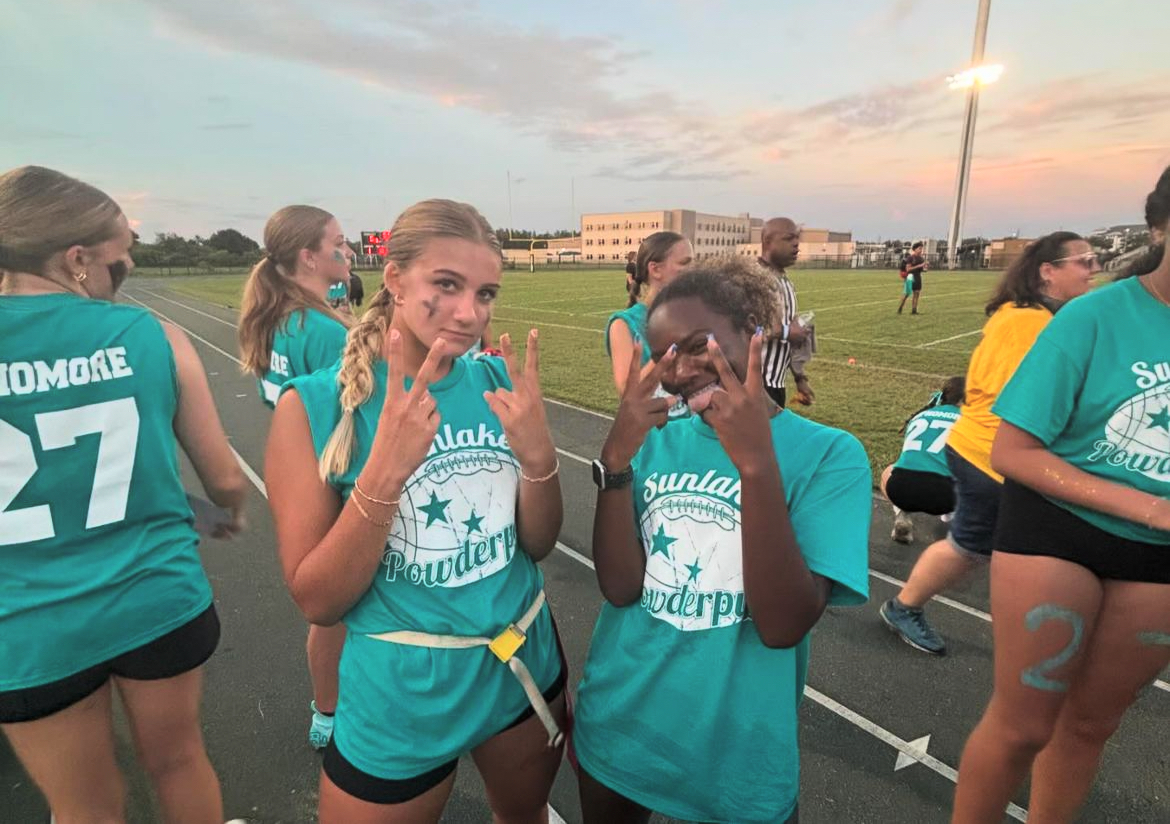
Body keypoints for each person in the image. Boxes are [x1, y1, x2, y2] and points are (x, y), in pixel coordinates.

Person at [264, 199, 567, 823]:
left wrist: (540, 459)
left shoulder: (495, 386)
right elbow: (318, 601)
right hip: (402, 689)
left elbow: (537, 545)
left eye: (485, 293)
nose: (469, 312)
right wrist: (384, 472)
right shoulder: (315, 408)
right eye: (447, 285)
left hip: (518, 660)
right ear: (394, 279)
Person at [574, 255, 871, 824]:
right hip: (620, 723)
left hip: (738, 754)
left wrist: (756, 465)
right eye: (663, 353)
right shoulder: (655, 441)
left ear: (755, 334)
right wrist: (615, 458)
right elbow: (619, 588)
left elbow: (783, 625)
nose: (680, 370)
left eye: (697, 344)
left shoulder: (831, 457)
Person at [0, 166, 247, 823]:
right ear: (76, 260)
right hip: (154, 595)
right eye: (120, 255)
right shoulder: (147, 335)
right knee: (179, 762)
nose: (130, 264)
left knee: (84, 806)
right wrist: (226, 513)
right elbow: (224, 477)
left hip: (28, 624)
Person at [952, 170, 1170, 824]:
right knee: (1023, 725)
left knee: (1090, 727)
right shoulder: (1096, 316)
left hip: (1156, 557)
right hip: (1058, 529)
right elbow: (1012, 451)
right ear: (1160, 226)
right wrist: (1156, 509)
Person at [879, 232, 1099, 656]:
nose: (1093, 269)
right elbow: (1019, 399)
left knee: (1002, 546)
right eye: (1084, 261)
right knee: (970, 547)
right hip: (991, 458)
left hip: (996, 454)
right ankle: (904, 606)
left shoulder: (1031, 316)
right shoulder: (1025, 323)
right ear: (1048, 272)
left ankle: (1040, 627)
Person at [238, 205, 354, 751]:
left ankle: (326, 710)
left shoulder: (278, 316)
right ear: (309, 256)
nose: (348, 251)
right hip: (329, 479)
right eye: (338, 243)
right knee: (337, 609)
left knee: (328, 609)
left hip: (297, 473)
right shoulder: (322, 332)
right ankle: (332, 712)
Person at [606, 231, 693, 396]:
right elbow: (627, 393)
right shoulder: (623, 325)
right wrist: (665, 351)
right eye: (685, 263)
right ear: (656, 270)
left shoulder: (694, 317)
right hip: (654, 422)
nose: (693, 270)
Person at [882, 376, 965, 544]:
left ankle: (901, 513)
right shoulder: (970, 421)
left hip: (901, 490)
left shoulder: (921, 416)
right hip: (946, 496)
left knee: (890, 470)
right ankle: (954, 519)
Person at [759, 217, 813, 407]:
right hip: (753, 383)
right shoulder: (753, 279)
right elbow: (743, 329)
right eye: (788, 238)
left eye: (797, 238)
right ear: (767, 241)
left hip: (775, 384)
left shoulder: (784, 281)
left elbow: (790, 331)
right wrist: (787, 332)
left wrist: (800, 378)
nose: (796, 244)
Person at [897, 241, 928, 315]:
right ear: (915, 249)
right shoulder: (910, 258)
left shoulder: (921, 259)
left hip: (918, 277)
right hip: (910, 277)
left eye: (921, 249)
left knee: (916, 294)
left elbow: (922, 270)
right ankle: (900, 308)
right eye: (919, 248)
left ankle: (914, 310)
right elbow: (908, 269)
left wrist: (925, 268)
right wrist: (919, 266)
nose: (921, 250)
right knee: (907, 294)